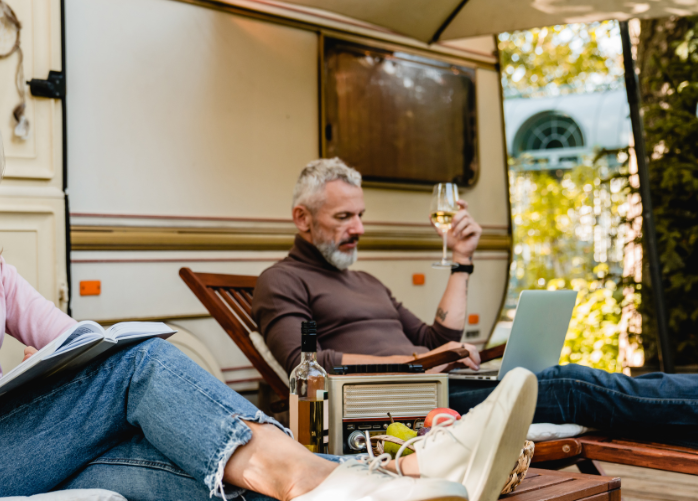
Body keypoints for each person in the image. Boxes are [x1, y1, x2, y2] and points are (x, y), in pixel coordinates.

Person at [0, 88, 535, 501]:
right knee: (139, 365)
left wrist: (108, 357)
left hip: (7, 447)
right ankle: (364, 476)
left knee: (170, 462)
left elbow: (74, 343)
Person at [252, 158, 698, 436]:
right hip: (393, 404)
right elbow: (304, 365)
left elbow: (434, 336)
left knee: (576, 382)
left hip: (437, 383)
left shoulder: (366, 281)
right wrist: (417, 364)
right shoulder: (281, 280)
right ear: (302, 219)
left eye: (361, 216)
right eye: (344, 217)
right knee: (575, 386)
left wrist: (461, 260)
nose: (359, 229)